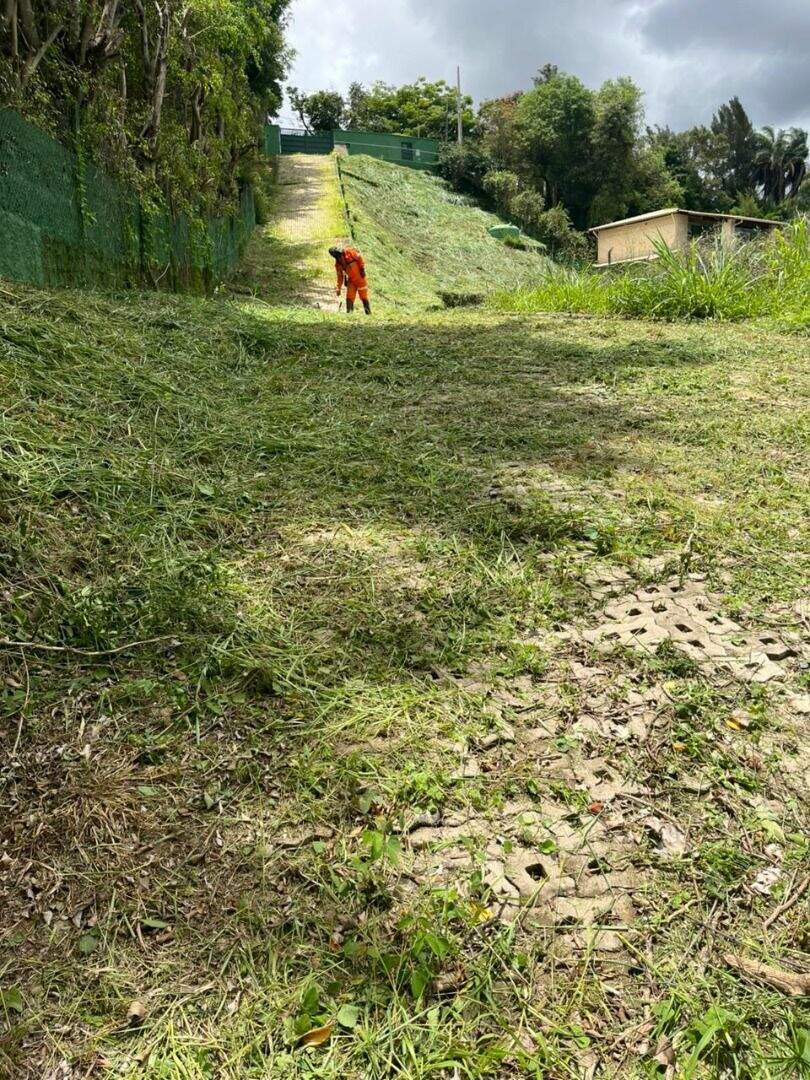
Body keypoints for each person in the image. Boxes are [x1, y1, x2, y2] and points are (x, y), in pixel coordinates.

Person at [329, 244, 371, 314]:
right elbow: (340, 276)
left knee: (363, 297)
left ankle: (368, 314)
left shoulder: (349, 252)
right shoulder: (338, 265)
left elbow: (359, 257)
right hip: (351, 280)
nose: (340, 257)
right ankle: (349, 315)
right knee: (349, 297)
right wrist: (338, 287)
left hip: (360, 278)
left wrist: (362, 268)